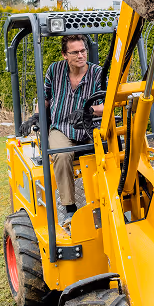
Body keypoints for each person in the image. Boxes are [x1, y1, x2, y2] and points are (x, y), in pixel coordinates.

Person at [44, 33, 104, 227]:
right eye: (75, 52)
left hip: (89, 128)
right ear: (65, 55)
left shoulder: (97, 73)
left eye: (83, 50)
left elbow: (108, 103)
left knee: (106, 152)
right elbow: (44, 97)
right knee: (61, 154)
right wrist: (35, 116)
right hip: (61, 127)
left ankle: (105, 203)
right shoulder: (54, 70)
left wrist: (89, 111)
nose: (80, 55)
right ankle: (69, 209)